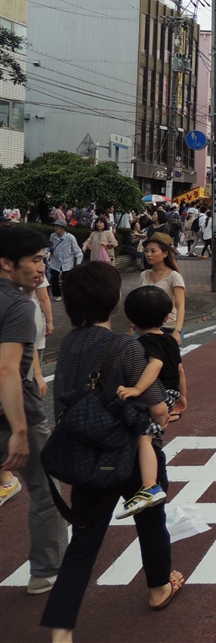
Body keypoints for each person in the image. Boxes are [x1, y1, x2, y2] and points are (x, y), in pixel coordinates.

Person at [41, 263, 184, 640]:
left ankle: (60, 630)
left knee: (84, 540)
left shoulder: (67, 345)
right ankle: (159, 587)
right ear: (114, 302)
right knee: (150, 520)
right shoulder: (126, 346)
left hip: (88, 454)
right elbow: (156, 406)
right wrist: (165, 415)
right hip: (132, 452)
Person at [0, 226, 67, 591]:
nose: (42, 268)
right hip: (14, 413)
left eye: (44, 260)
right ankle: (46, 570)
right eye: (36, 260)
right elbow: (8, 369)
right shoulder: (17, 305)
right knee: (45, 489)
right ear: (7, 263)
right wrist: (20, 430)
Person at [114, 286, 187, 518]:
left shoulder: (144, 344)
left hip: (160, 395)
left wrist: (137, 388)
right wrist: (182, 396)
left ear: (130, 318)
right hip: (172, 393)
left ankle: (149, 486)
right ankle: (150, 486)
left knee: (144, 437)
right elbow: (180, 370)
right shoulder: (170, 341)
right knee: (151, 436)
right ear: (166, 317)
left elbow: (156, 365)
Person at [139, 232, 185, 344]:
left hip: (168, 329)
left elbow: (180, 305)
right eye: (146, 251)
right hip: (145, 328)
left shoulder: (173, 276)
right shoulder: (144, 275)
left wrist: (177, 331)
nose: (148, 254)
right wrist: (133, 326)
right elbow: (140, 304)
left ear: (165, 253)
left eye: (153, 251)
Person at [46, 219, 83, 301]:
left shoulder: (70, 238)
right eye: (55, 226)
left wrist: (78, 264)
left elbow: (78, 252)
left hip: (67, 262)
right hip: (55, 261)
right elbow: (49, 247)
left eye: (57, 226)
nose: (55, 228)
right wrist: (44, 252)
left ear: (63, 228)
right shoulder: (53, 236)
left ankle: (68, 294)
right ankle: (57, 294)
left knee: (66, 279)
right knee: (54, 278)